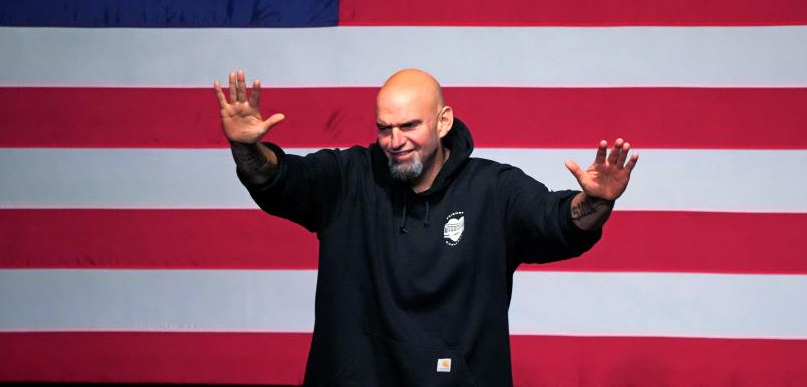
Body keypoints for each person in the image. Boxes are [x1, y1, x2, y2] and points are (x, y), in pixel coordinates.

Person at [214, 68, 638, 386]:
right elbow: (277, 179)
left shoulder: (494, 189)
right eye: (384, 128)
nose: (395, 140)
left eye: (409, 126)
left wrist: (597, 200)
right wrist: (247, 147)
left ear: (443, 121)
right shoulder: (347, 178)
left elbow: (561, 222)